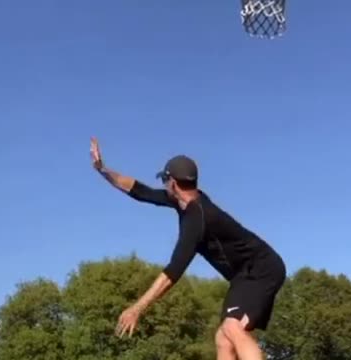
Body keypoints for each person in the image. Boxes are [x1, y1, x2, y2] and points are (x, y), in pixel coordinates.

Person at [90, 137, 287, 360]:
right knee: (223, 338)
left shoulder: (197, 218)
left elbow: (173, 272)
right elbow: (139, 191)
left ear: (172, 183)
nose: (164, 187)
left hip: (262, 270)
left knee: (233, 329)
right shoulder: (182, 201)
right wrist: (102, 169)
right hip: (244, 275)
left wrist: (137, 308)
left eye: (165, 182)